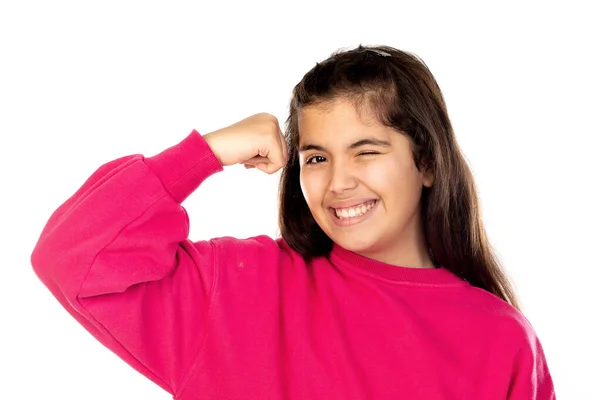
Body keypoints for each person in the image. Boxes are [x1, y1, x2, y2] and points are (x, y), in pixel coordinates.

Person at [30, 45, 555, 399]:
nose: (338, 183)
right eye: (317, 157)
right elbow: (71, 258)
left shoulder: (500, 340)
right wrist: (205, 154)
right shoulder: (236, 289)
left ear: (428, 163)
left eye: (366, 151)